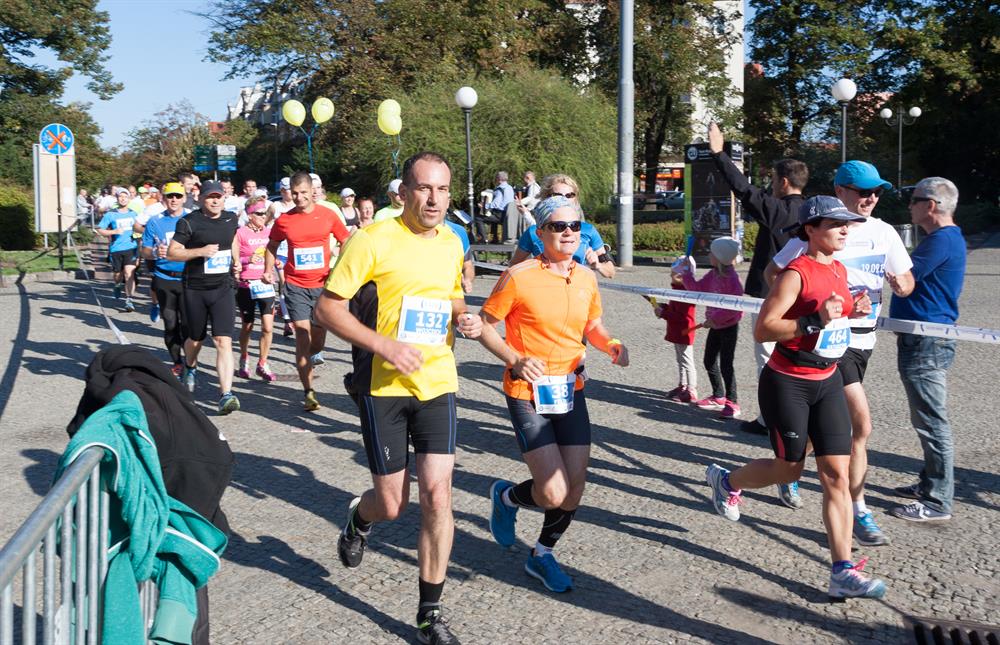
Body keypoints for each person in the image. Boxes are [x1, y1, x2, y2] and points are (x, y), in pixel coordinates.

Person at [315, 151, 479, 645]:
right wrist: (384, 345)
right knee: (392, 504)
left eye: (443, 189)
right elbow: (328, 309)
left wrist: (464, 318)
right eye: (424, 188)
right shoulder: (371, 240)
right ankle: (358, 518)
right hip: (382, 386)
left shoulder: (452, 242)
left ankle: (430, 612)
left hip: (437, 382)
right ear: (404, 192)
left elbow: (452, 297)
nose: (434, 199)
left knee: (438, 495)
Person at [706, 195, 887, 600]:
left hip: (828, 380)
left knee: (836, 475)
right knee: (789, 470)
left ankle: (842, 570)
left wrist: (853, 311)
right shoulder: (795, 273)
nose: (845, 229)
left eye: (846, 224)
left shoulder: (839, 269)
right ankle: (727, 481)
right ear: (810, 229)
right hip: (788, 382)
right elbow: (764, 328)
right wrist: (813, 319)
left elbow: (832, 319)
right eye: (835, 224)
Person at [477, 195, 629, 593]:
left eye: (574, 226)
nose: (568, 233)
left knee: (574, 486)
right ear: (540, 232)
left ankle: (542, 554)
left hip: (570, 389)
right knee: (552, 491)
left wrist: (611, 344)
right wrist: (514, 359)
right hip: (527, 391)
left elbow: (593, 326)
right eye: (558, 227)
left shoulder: (586, 277)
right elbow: (484, 325)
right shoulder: (519, 276)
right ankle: (507, 498)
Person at [765, 161, 914, 541]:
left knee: (824, 426)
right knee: (861, 426)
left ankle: (789, 468)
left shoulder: (885, 233)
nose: (871, 198)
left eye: (877, 191)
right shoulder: (818, 231)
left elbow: (907, 280)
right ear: (840, 191)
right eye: (863, 191)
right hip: (830, 343)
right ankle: (859, 510)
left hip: (865, 342)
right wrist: (808, 311)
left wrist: (902, 285)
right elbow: (773, 273)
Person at [708, 122, 807, 435]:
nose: (771, 185)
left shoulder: (776, 210)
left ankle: (770, 419)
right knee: (796, 356)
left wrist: (718, 153)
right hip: (802, 294)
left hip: (769, 294)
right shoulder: (811, 212)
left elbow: (744, 190)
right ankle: (795, 416)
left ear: (784, 182)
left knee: (767, 356)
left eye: (773, 180)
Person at [888, 178, 965, 523]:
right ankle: (929, 484)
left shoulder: (941, 240)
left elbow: (904, 279)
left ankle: (937, 502)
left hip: (926, 342)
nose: (910, 206)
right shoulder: (944, 239)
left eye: (914, 200)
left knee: (932, 421)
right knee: (926, 418)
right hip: (925, 339)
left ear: (931, 205)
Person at [262, 171, 350, 411]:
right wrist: (268, 270)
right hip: (295, 285)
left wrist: (339, 267)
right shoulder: (284, 220)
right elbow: (272, 245)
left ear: (313, 191)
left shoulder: (328, 215)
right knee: (302, 334)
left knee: (317, 340)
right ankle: (309, 391)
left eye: (303, 192)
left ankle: (308, 360)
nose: (299, 197)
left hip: (322, 285)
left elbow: (346, 240)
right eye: (295, 193)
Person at [166, 180, 241, 415]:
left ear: (224, 198)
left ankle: (226, 394)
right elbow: (172, 253)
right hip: (195, 289)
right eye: (210, 197)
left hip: (223, 288)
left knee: (223, 340)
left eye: (218, 197)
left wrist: (237, 260)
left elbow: (233, 239)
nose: (215, 201)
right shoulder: (189, 222)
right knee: (196, 339)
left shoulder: (231, 218)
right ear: (200, 199)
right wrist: (200, 251)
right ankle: (190, 365)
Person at [674, 237, 744, 418]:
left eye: (712, 253)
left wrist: (716, 319)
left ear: (720, 257)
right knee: (709, 360)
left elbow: (736, 307)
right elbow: (697, 290)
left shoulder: (732, 280)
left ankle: (732, 402)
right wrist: (687, 274)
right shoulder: (713, 274)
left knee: (726, 364)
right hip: (715, 326)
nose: (709, 255)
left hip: (728, 327)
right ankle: (718, 396)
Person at [509, 174, 616, 279]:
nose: (564, 199)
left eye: (569, 195)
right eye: (557, 195)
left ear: (576, 199)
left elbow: (610, 272)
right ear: (546, 197)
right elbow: (514, 267)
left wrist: (598, 265)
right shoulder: (533, 232)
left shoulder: (588, 230)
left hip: (578, 288)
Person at [140, 182, 189, 375]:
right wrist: (154, 252)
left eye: (178, 196)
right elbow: (144, 250)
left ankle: (191, 361)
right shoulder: (155, 221)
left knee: (189, 326)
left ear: (184, 198)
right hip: (164, 278)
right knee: (170, 324)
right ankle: (177, 362)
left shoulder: (192, 218)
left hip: (189, 279)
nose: (174, 199)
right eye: (170, 196)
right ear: (163, 198)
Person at [233, 197, 278, 382]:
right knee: (248, 326)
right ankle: (244, 358)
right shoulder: (240, 233)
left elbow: (273, 252)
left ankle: (263, 363)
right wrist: (246, 260)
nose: (263, 216)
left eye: (264, 213)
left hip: (265, 284)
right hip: (246, 284)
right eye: (259, 213)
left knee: (268, 327)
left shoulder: (269, 232)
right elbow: (233, 258)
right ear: (249, 215)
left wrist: (276, 262)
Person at [652, 266, 698, 403]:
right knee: (681, 359)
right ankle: (683, 385)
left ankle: (691, 390)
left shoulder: (686, 293)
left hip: (684, 331)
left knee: (687, 361)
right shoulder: (677, 290)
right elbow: (675, 310)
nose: (670, 276)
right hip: (678, 331)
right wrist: (664, 307)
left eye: (672, 274)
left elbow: (682, 317)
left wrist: (663, 313)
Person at [95, 188, 140, 312]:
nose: (123, 199)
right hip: (116, 249)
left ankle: (129, 300)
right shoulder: (111, 214)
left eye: (125, 196)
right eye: (121, 196)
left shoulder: (134, 214)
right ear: (117, 199)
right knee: (117, 275)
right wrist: (114, 231)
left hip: (131, 247)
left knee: (129, 273)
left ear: (129, 199)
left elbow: (141, 228)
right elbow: (100, 229)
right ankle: (117, 284)